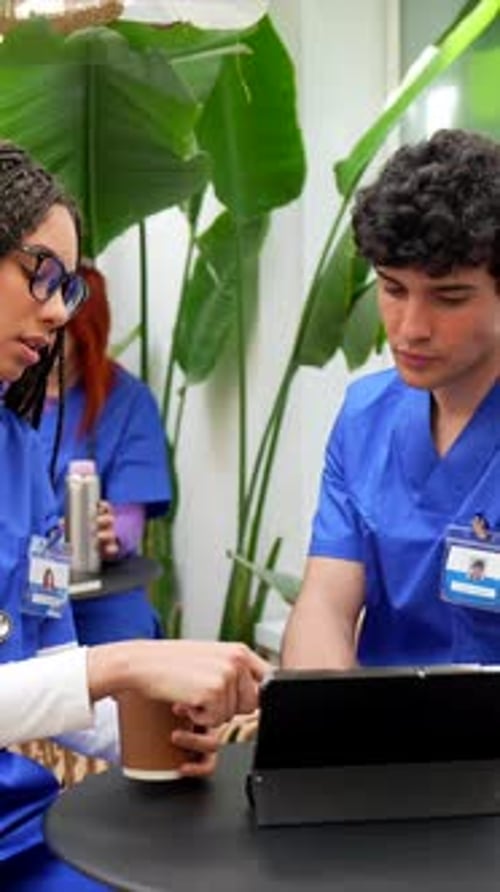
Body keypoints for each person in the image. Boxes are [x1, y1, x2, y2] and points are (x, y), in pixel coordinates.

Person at [0, 141, 269, 890]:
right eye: (38, 275)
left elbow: (39, 667)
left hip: (17, 821)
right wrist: (121, 664)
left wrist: (155, 728)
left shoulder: (20, 455)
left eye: (68, 289)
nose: (56, 310)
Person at [282, 128, 500, 670]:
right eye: (392, 289)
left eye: (448, 298)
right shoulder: (365, 418)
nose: (410, 328)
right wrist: (329, 717)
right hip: (382, 738)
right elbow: (326, 608)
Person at [39, 262, 171, 644]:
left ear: (87, 335)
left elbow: (130, 523)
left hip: (99, 595)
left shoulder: (128, 402)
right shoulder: (9, 396)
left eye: (63, 333)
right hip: (16, 585)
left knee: (128, 640)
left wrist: (111, 535)